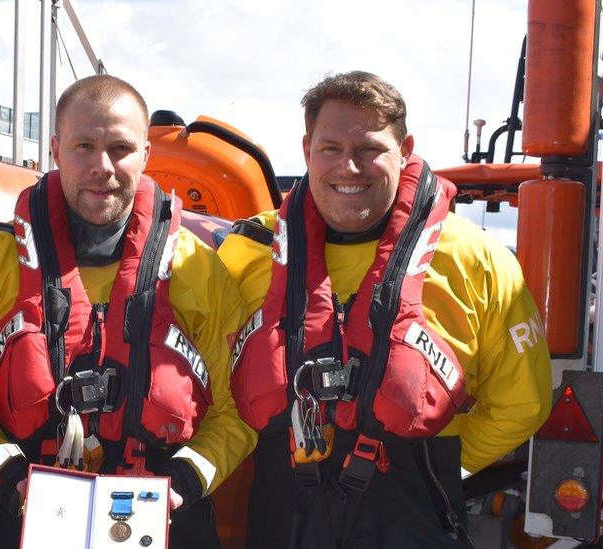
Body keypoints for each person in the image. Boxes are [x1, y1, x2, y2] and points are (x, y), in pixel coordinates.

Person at [220, 71, 552, 548]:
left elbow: (525, 402)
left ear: (405, 148)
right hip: (283, 505)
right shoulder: (247, 251)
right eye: (330, 148)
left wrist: (443, 471)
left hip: (413, 505)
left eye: (370, 149)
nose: (348, 168)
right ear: (307, 149)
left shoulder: (477, 258)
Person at [0, 74, 256, 549]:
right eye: (84, 146)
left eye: (121, 148)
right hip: (28, 514)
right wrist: (11, 474)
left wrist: (183, 483)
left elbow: (236, 409)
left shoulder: (196, 268)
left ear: (147, 155)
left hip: (168, 518)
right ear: (55, 148)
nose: (102, 167)